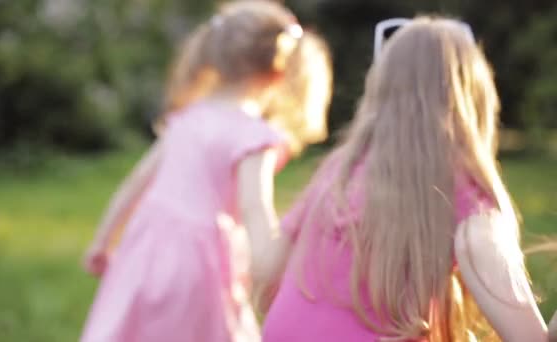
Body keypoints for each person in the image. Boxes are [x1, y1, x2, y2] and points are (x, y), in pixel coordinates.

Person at [262, 17, 548, 341]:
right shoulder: (467, 198)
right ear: (475, 94)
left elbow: (270, 268)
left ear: (379, 87)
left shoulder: (340, 167)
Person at [79, 1, 333, 341]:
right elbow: (253, 207)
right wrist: (271, 267)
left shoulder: (189, 117)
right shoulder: (253, 136)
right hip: (202, 261)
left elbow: (137, 182)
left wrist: (103, 241)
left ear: (215, 57)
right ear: (280, 71)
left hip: (147, 244)